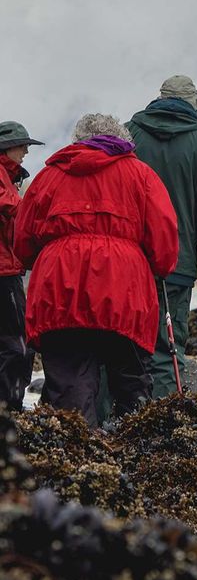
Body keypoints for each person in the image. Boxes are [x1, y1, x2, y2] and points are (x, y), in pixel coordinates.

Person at [14, 114, 178, 428]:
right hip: (124, 288)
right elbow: (164, 239)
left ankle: (78, 456)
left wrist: (42, 259)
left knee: (69, 382)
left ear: (79, 141)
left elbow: (23, 240)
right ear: (121, 140)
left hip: (60, 286)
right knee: (131, 379)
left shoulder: (49, 176)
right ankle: (136, 452)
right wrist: (161, 267)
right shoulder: (140, 175)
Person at [127, 75, 197, 397]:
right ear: (194, 106)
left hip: (126, 262)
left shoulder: (127, 136)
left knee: (119, 345)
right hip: (175, 266)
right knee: (167, 350)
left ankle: (107, 429)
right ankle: (163, 432)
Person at [0, 121, 44, 410]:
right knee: (17, 343)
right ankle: (10, 407)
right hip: (4, 271)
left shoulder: (9, 175)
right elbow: (11, 207)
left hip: (8, 267)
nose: (27, 150)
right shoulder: (4, 178)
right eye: (22, 145)